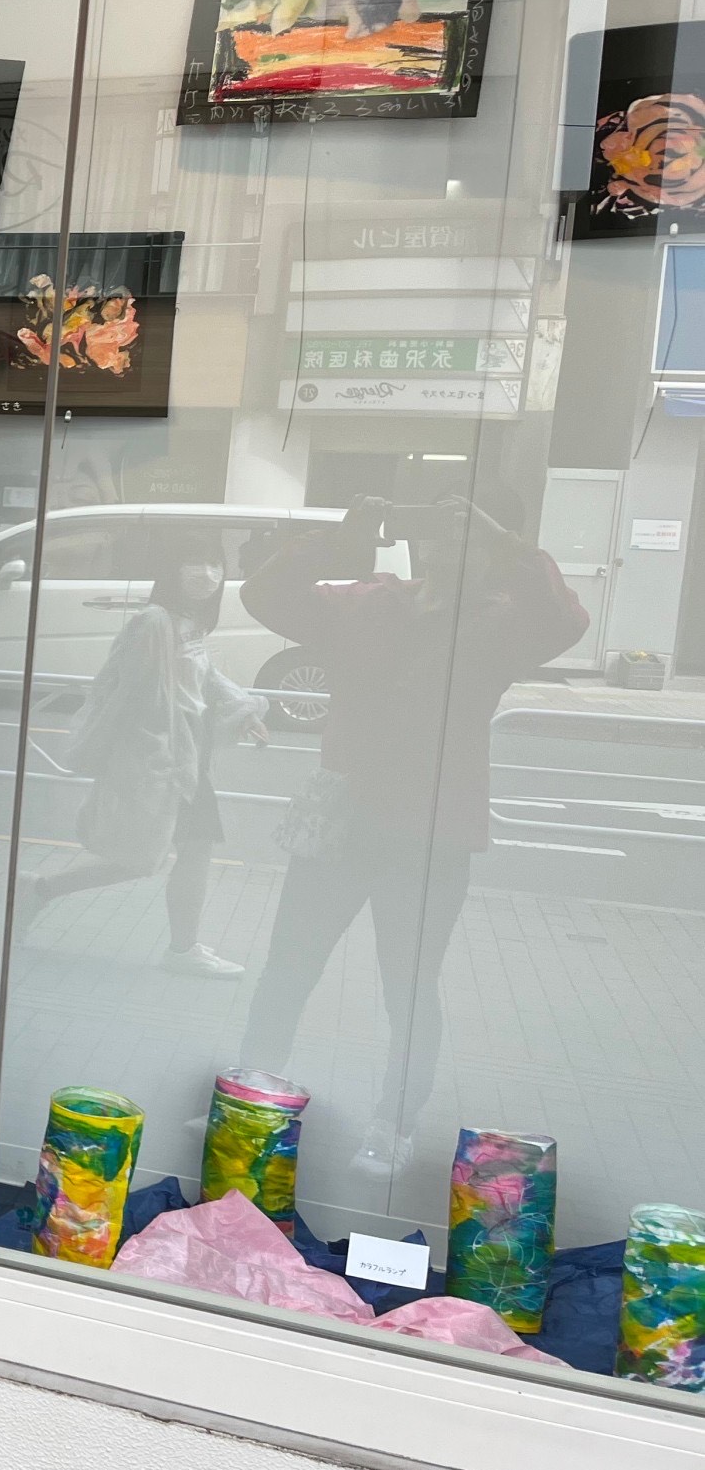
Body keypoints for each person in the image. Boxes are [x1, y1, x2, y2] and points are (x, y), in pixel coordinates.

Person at [236, 492, 588, 1171]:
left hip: (432, 833)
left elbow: (565, 620)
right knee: (289, 966)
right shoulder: (369, 601)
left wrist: (504, 539)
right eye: (438, 529)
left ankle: (393, 1123)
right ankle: (252, 1099)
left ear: (486, 548)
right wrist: (344, 539)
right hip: (340, 822)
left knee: (409, 986)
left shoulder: (500, 621)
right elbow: (264, 595)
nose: (446, 543)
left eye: (464, 532)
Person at [15, 537, 267, 975]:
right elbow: (128, 691)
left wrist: (244, 711)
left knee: (175, 851)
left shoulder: (189, 623)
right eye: (194, 560)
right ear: (173, 568)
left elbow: (203, 677)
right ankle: (179, 949)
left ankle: (43, 891)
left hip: (186, 757)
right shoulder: (153, 622)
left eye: (214, 563)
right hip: (161, 760)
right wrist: (149, 754)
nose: (206, 573)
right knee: (152, 854)